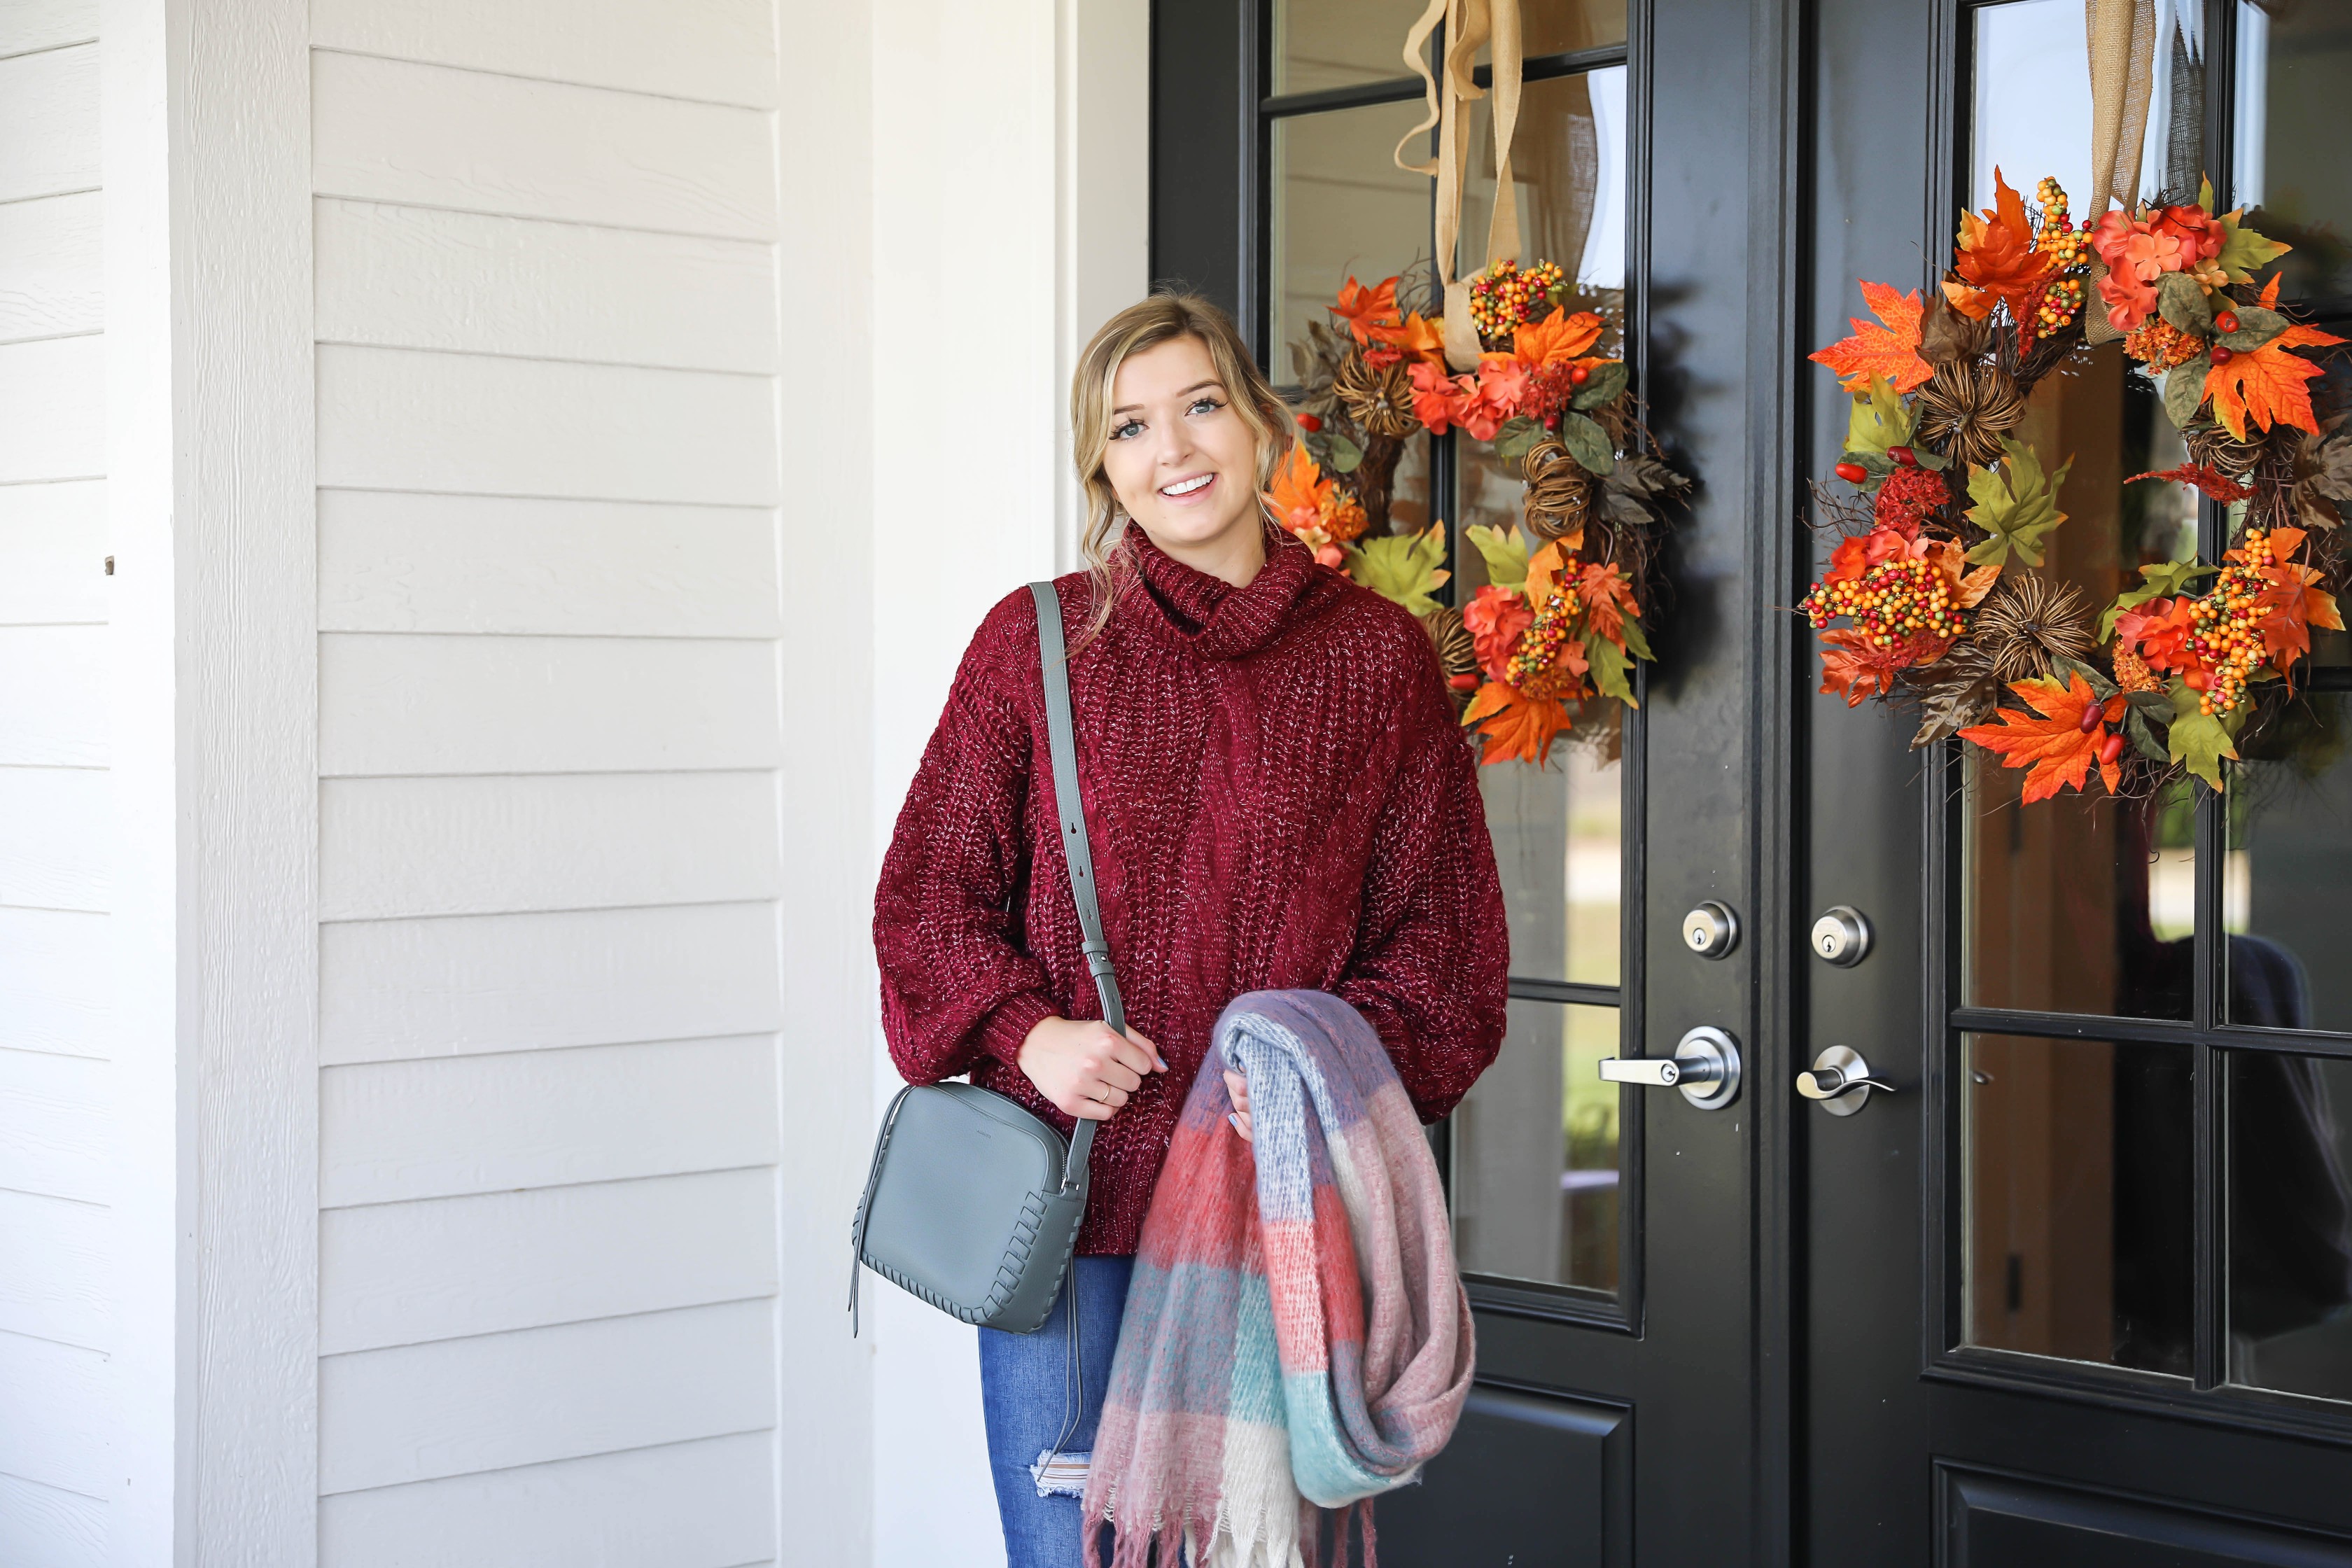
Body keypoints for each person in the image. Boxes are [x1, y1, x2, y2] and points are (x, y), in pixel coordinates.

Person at [872, 291, 1508, 1566]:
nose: (1174, 450)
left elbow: (1449, 960)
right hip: (1073, 1218)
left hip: (1280, 1226)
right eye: (1129, 427)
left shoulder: (1376, 661)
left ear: (1263, 423)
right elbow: (927, 895)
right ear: (1101, 466)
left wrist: (1282, 1068)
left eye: (1202, 405)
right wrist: (1028, 1032)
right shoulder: (1037, 641)